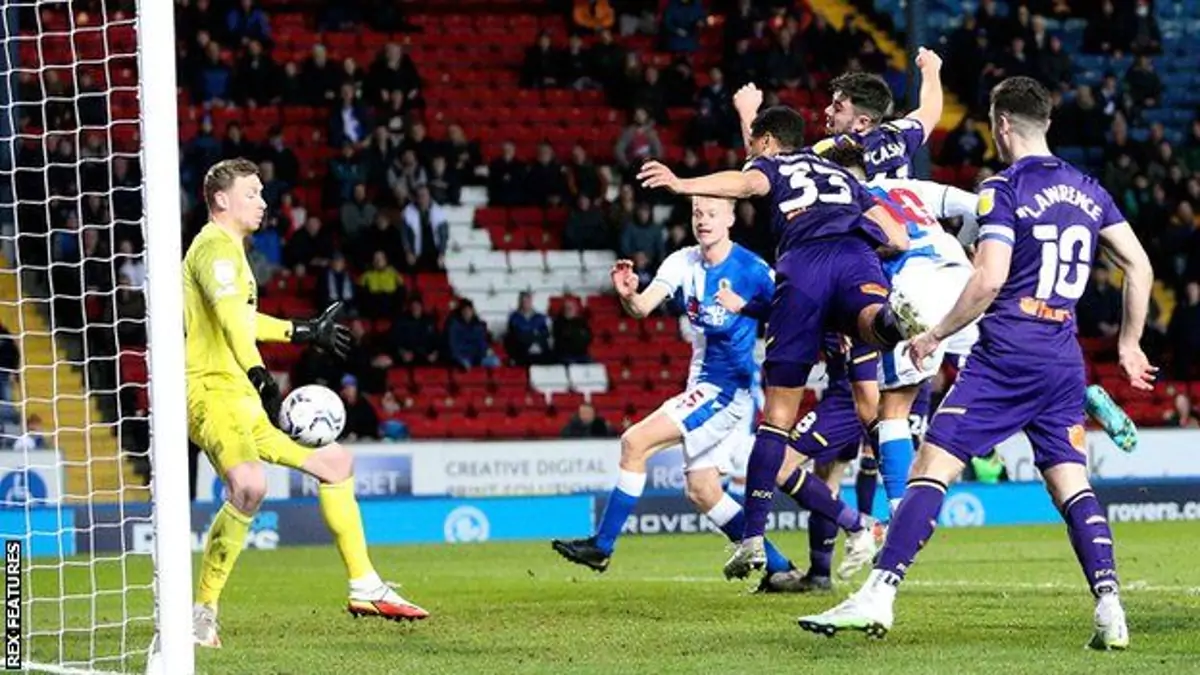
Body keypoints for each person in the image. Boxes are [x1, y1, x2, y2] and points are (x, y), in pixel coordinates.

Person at [798, 77, 1156, 651]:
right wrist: (1129, 345)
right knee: (1070, 484)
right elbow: (1139, 266)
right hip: (1063, 354)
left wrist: (934, 335)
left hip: (1007, 352)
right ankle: (1110, 606)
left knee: (930, 468)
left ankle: (879, 594)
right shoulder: (1089, 189)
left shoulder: (1003, 188)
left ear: (1003, 126)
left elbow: (987, 280)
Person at [637, 105, 914, 582]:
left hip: (804, 267)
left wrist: (683, 184)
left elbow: (746, 183)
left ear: (765, 143)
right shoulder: (838, 173)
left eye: (753, 145)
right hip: (854, 258)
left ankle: (752, 541)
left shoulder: (771, 165)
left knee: (779, 419)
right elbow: (899, 238)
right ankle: (890, 320)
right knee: (871, 321)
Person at [185, 159, 428, 649]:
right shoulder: (214, 248)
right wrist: (260, 375)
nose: (263, 201)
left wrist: (303, 331)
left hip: (240, 399)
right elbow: (234, 325)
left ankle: (365, 587)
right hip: (212, 392)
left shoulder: (231, 251)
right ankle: (201, 611)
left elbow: (243, 319)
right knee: (250, 485)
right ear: (222, 201)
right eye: (252, 193)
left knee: (336, 462)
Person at [550, 196, 805, 592]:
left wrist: (750, 311)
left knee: (634, 442)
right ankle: (781, 568)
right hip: (702, 386)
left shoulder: (752, 269)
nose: (703, 221)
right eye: (697, 213)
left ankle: (602, 545)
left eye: (712, 214)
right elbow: (642, 309)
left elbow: (793, 309)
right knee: (702, 490)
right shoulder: (682, 261)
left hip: (728, 389)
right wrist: (629, 293)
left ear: (731, 219)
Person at [819, 48, 944, 180]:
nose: (827, 110)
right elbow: (931, 110)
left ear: (862, 122)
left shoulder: (827, 150)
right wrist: (930, 69)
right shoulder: (898, 134)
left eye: (838, 108)